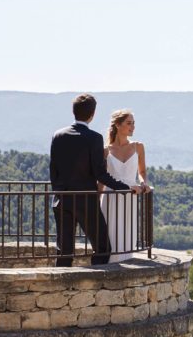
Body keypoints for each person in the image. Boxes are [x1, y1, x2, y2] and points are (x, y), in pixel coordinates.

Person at [50, 93, 142, 266]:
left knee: (64, 251)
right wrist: (125, 188)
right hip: (86, 201)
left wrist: (58, 191)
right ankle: (95, 282)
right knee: (102, 248)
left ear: (74, 112)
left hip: (62, 200)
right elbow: (101, 174)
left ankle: (64, 286)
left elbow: (53, 169)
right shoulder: (94, 138)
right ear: (92, 114)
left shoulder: (58, 135)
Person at [101, 109, 150, 262]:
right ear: (117, 125)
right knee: (109, 234)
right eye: (129, 123)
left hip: (131, 195)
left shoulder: (138, 147)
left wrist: (143, 183)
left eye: (134, 123)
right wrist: (94, 201)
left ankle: (125, 264)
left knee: (126, 233)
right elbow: (101, 179)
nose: (133, 127)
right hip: (110, 197)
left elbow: (142, 171)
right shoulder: (105, 151)